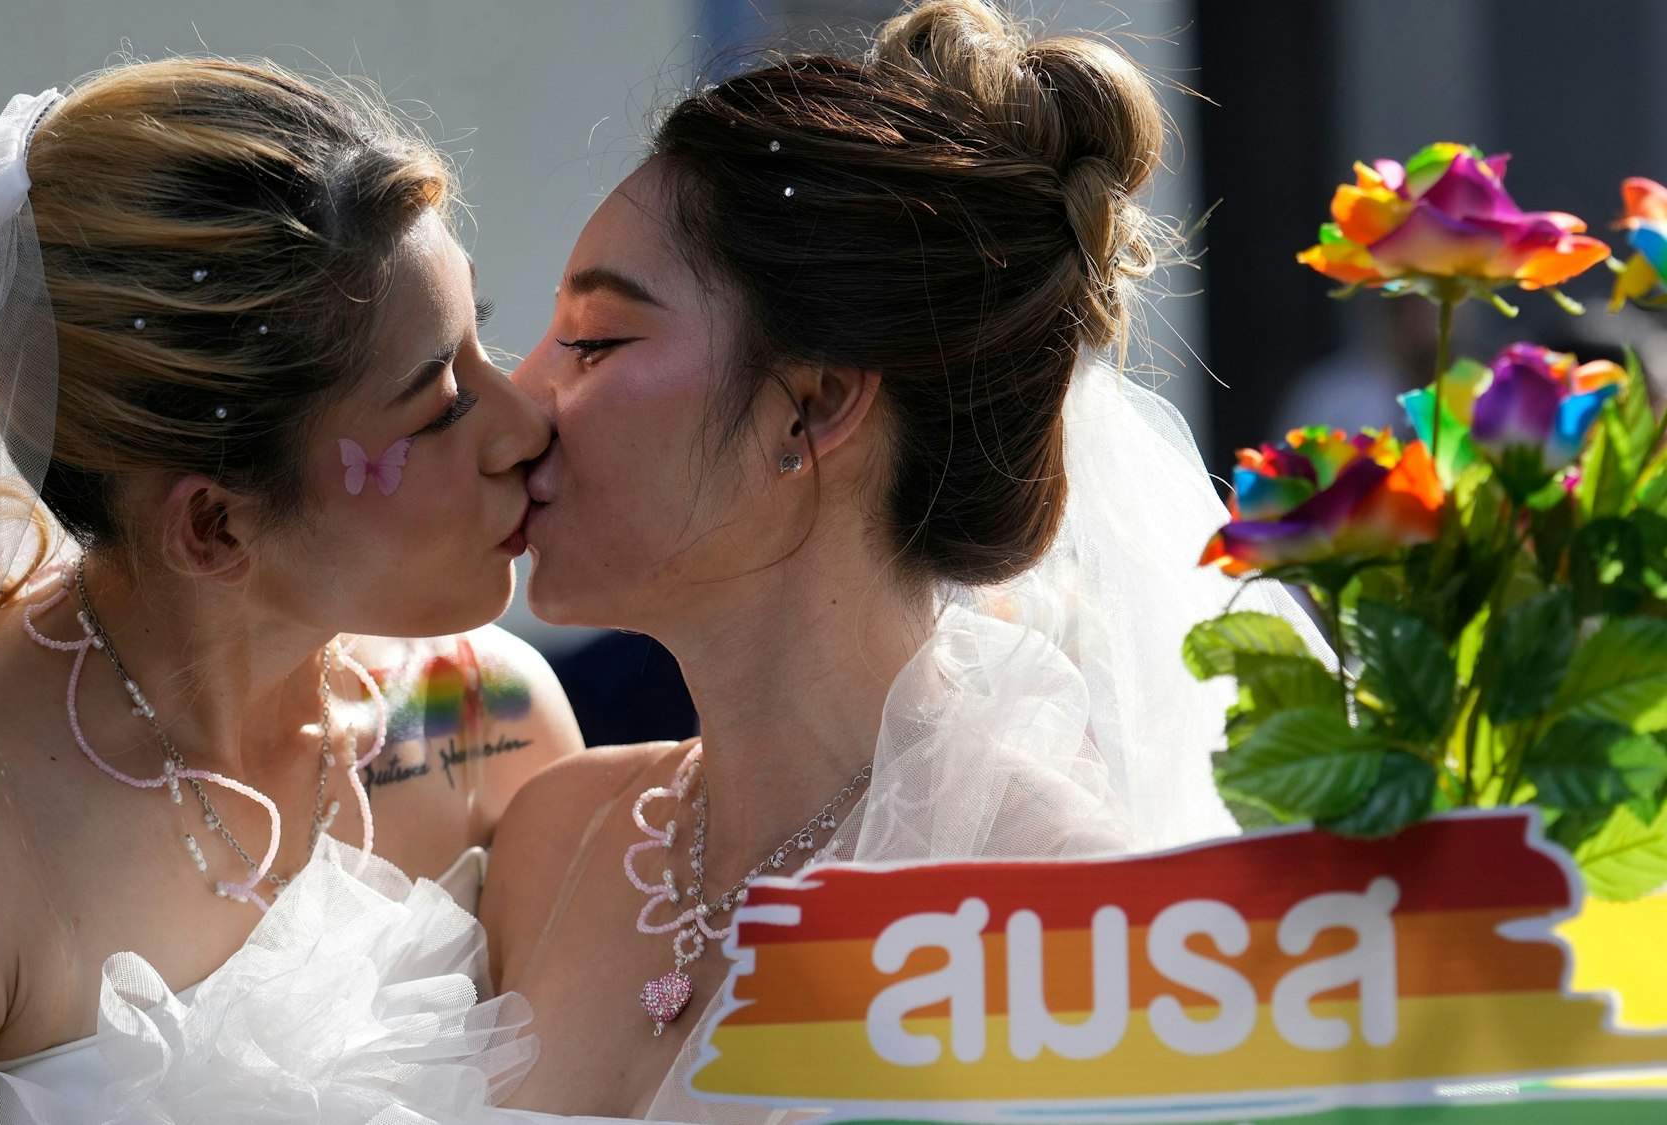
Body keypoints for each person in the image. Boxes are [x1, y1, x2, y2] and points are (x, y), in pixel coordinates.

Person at [0, 58, 582, 1124]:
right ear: (210, 526)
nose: (521, 427)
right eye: (435, 408)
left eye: (482, 336)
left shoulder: (487, 719)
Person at [481, 1, 1319, 1117]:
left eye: (593, 339)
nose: (520, 395)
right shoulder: (551, 837)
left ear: (813, 405)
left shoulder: (1066, 913)